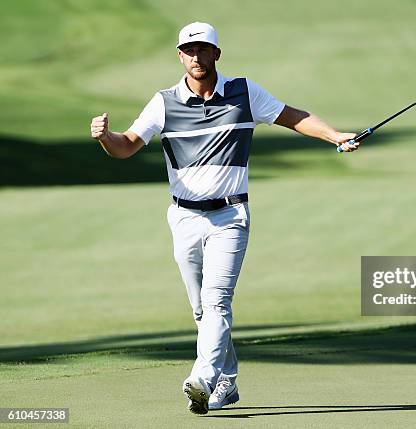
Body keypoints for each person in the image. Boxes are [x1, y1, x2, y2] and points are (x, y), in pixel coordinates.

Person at [90, 22, 360, 415]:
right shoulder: (164, 102)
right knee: (201, 308)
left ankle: (202, 377)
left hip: (230, 215)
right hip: (183, 218)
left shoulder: (244, 93)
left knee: (217, 302)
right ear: (180, 56)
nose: (196, 58)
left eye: (204, 50)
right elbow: (126, 146)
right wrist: (104, 137)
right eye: (189, 51)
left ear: (217, 54)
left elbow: (292, 116)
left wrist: (334, 135)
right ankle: (227, 382)